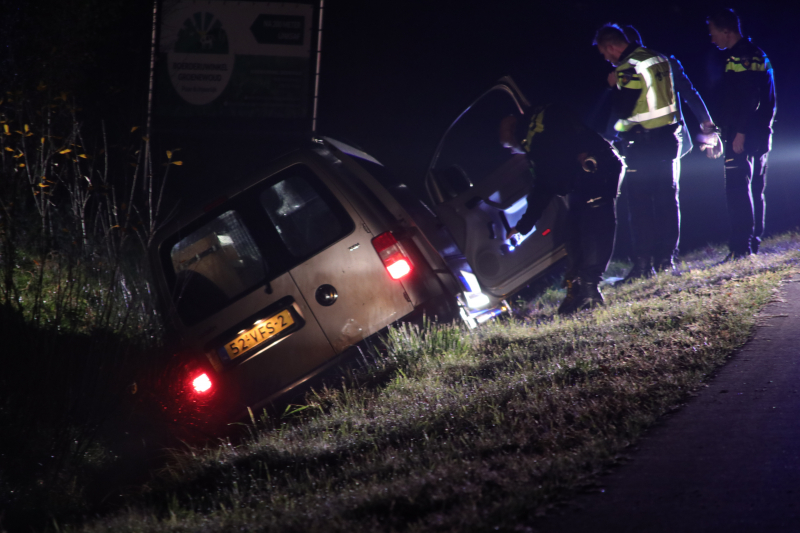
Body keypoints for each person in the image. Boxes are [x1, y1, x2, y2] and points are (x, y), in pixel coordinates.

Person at [502, 103, 624, 315]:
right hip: (584, 175)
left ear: (513, 135)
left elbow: (543, 186)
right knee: (573, 230)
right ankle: (577, 288)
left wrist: (523, 226)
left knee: (596, 226)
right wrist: (523, 226)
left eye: (509, 147)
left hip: (596, 169)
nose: (513, 152)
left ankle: (589, 291)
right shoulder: (536, 127)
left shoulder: (536, 139)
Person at [594, 23, 681, 282]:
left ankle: (643, 266)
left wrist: (613, 85)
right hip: (667, 139)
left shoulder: (627, 68)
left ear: (611, 46)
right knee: (667, 201)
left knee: (640, 206)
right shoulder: (657, 58)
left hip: (643, 145)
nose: (606, 59)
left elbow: (623, 109)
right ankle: (667, 260)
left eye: (604, 53)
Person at [707, 8, 776, 259]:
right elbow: (768, 99)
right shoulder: (758, 54)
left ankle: (740, 247)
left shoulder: (740, 57)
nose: (712, 38)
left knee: (738, 189)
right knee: (755, 188)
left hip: (743, 135)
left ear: (727, 31)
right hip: (759, 133)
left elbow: (748, 98)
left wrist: (740, 132)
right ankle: (752, 242)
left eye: (713, 32)